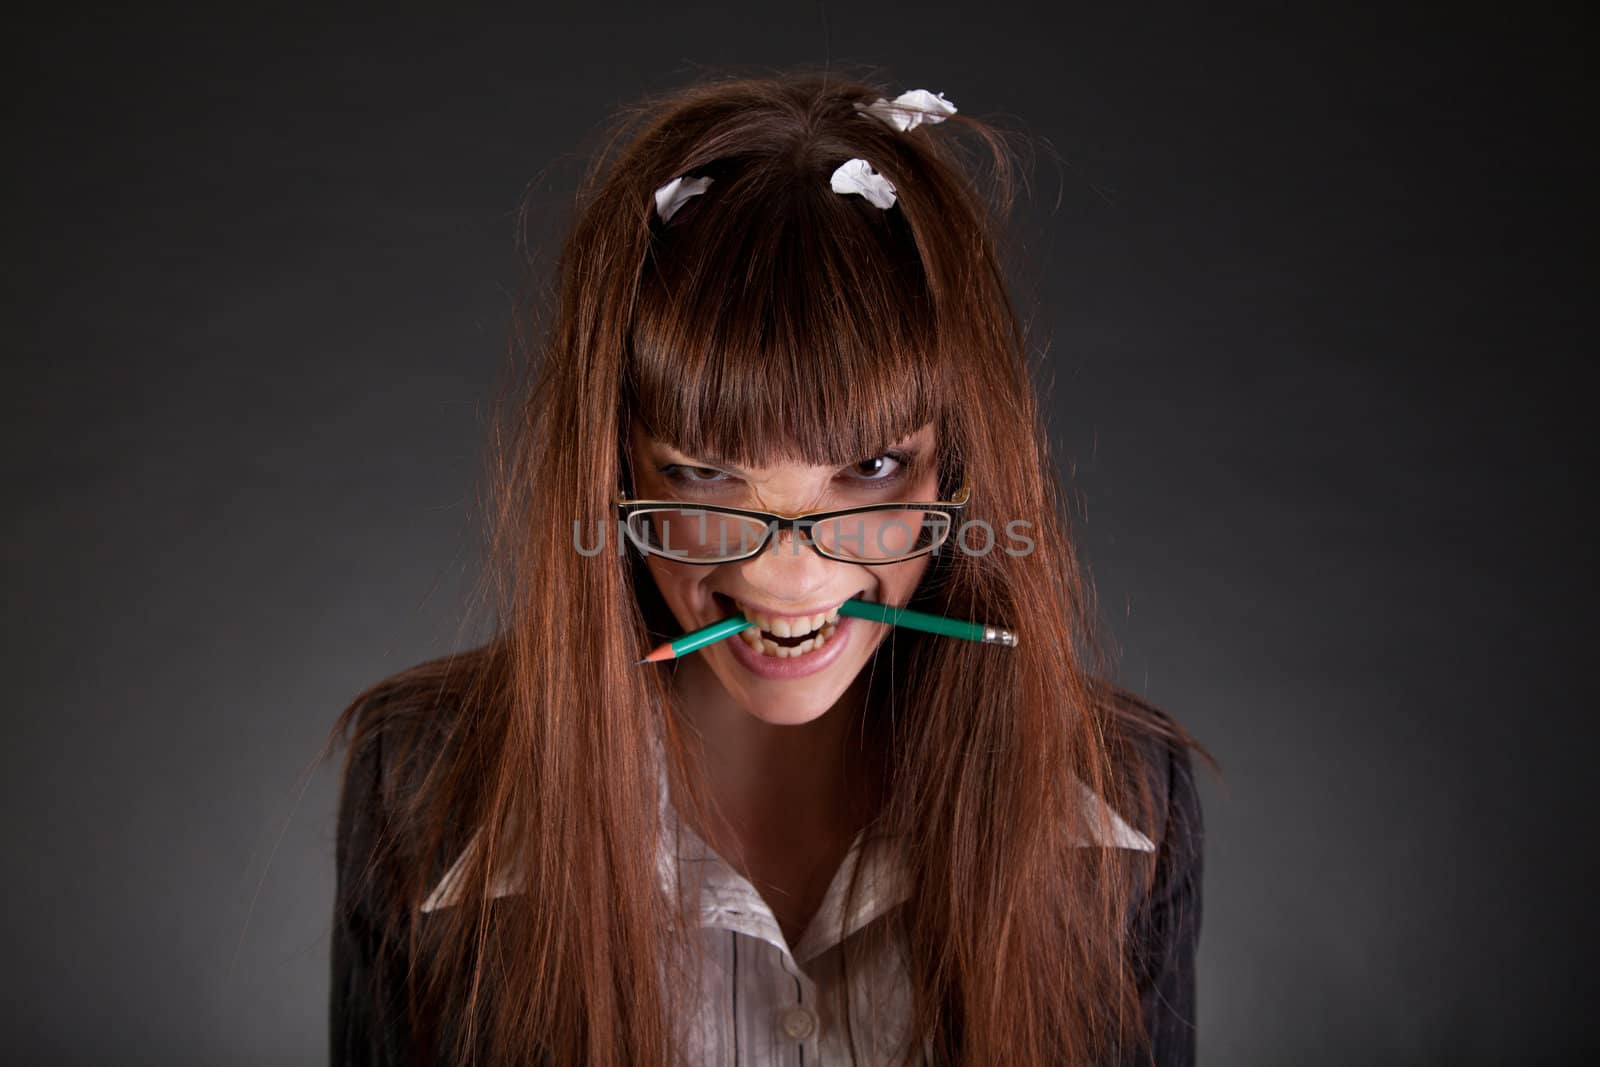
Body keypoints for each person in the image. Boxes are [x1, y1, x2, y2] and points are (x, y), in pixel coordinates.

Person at [329, 72, 1212, 1066]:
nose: (791, 578)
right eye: (704, 472)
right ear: (613, 466)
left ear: (960, 465)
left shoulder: (1128, 799)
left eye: (870, 468)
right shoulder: (421, 788)